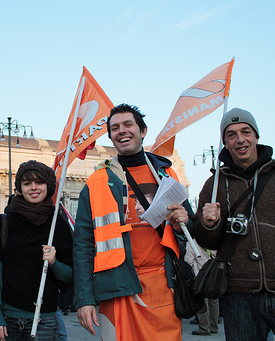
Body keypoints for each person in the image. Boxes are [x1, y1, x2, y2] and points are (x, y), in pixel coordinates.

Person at [73, 104, 194, 340]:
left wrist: (182, 225)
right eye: (115, 128)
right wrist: (84, 299)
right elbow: (83, 245)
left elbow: (190, 229)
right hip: (117, 287)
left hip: (163, 286)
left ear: (143, 131)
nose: (122, 131)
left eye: (128, 125)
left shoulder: (167, 175)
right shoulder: (96, 181)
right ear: (110, 137)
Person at [193, 108, 275, 341]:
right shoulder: (214, 184)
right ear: (225, 143)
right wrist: (208, 224)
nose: (240, 139)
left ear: (256, 136)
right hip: (239, 295)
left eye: (245, 132)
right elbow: (206, 240)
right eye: (231, 134)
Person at [0, 160, 73, 341]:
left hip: (45, 320)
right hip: (7, 320)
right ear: (19, 189)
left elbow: (68, 276)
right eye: (27, 183)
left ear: (48, 186)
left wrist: (54, 263)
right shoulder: (5, 222)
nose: (33, 188)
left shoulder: (59, 225)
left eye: (39, 182)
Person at [184, 239, 219, 336]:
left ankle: (204, 328)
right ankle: (214, 327)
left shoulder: (192, 243)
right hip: (213, 277)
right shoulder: (211, 241)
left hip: (200, 277)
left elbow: (188, 260)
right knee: (214, 302)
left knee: (202, 303)